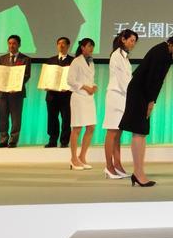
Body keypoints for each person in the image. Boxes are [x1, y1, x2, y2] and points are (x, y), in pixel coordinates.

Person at [119, 31, 173, 187]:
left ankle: (138, 172)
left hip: (141, 92)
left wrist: (151, 99)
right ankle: (138, 173)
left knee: (141, 132)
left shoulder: (165, 52)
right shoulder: (162, 53)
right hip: (140, 92)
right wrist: (150, 101)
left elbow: (156, 80)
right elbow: (153, 80)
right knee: (139, 131)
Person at [103, 29, 138, 179]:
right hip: (116, 96)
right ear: (123, 39)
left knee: (118, 133)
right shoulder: (116, 55)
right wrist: (134, 95)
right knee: (112, 133)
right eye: (131, 40)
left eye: (135, 41)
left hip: (122, 97)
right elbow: (122, 80)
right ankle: (108, 166)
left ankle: (117, 165)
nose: (133, 43)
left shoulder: (124, 56)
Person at [0, 34, 31, 148]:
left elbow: (26, 75)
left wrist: (15, 85)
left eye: (14, 43)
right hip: (3, 92)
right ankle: (3, 140)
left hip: (17, 93)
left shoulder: (25, 59)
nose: (11, 46)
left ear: (19, 45)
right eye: (9, 43)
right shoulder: (2, 58)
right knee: (2, 117)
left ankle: (13, 140)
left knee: (16, 117)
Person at [67, 38, 97, 171]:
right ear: (82, 47)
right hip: (79, 97)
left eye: (92, 46)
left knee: (91, 127)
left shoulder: (91, 62)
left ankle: (82, 157)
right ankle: (73, 158)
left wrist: (94, 86)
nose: (91, 48)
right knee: (77, 128)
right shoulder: (76, 61)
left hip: (89, 98)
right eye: (89, 46)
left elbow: (90, 79)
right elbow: (70, 80)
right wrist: (85, 87)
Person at [43, 37, 73, 148]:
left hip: (66, 95)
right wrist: (45, 84)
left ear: (68, 46)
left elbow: (75, 78)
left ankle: (64, 141)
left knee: (66, 119)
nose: (61, 45)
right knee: (52, 118)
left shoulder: (73, 61)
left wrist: (69, 87)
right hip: (52, 95)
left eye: (63, 43)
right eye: (59, 43)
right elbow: (46, 76)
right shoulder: (50, 60)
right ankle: (52, 140)